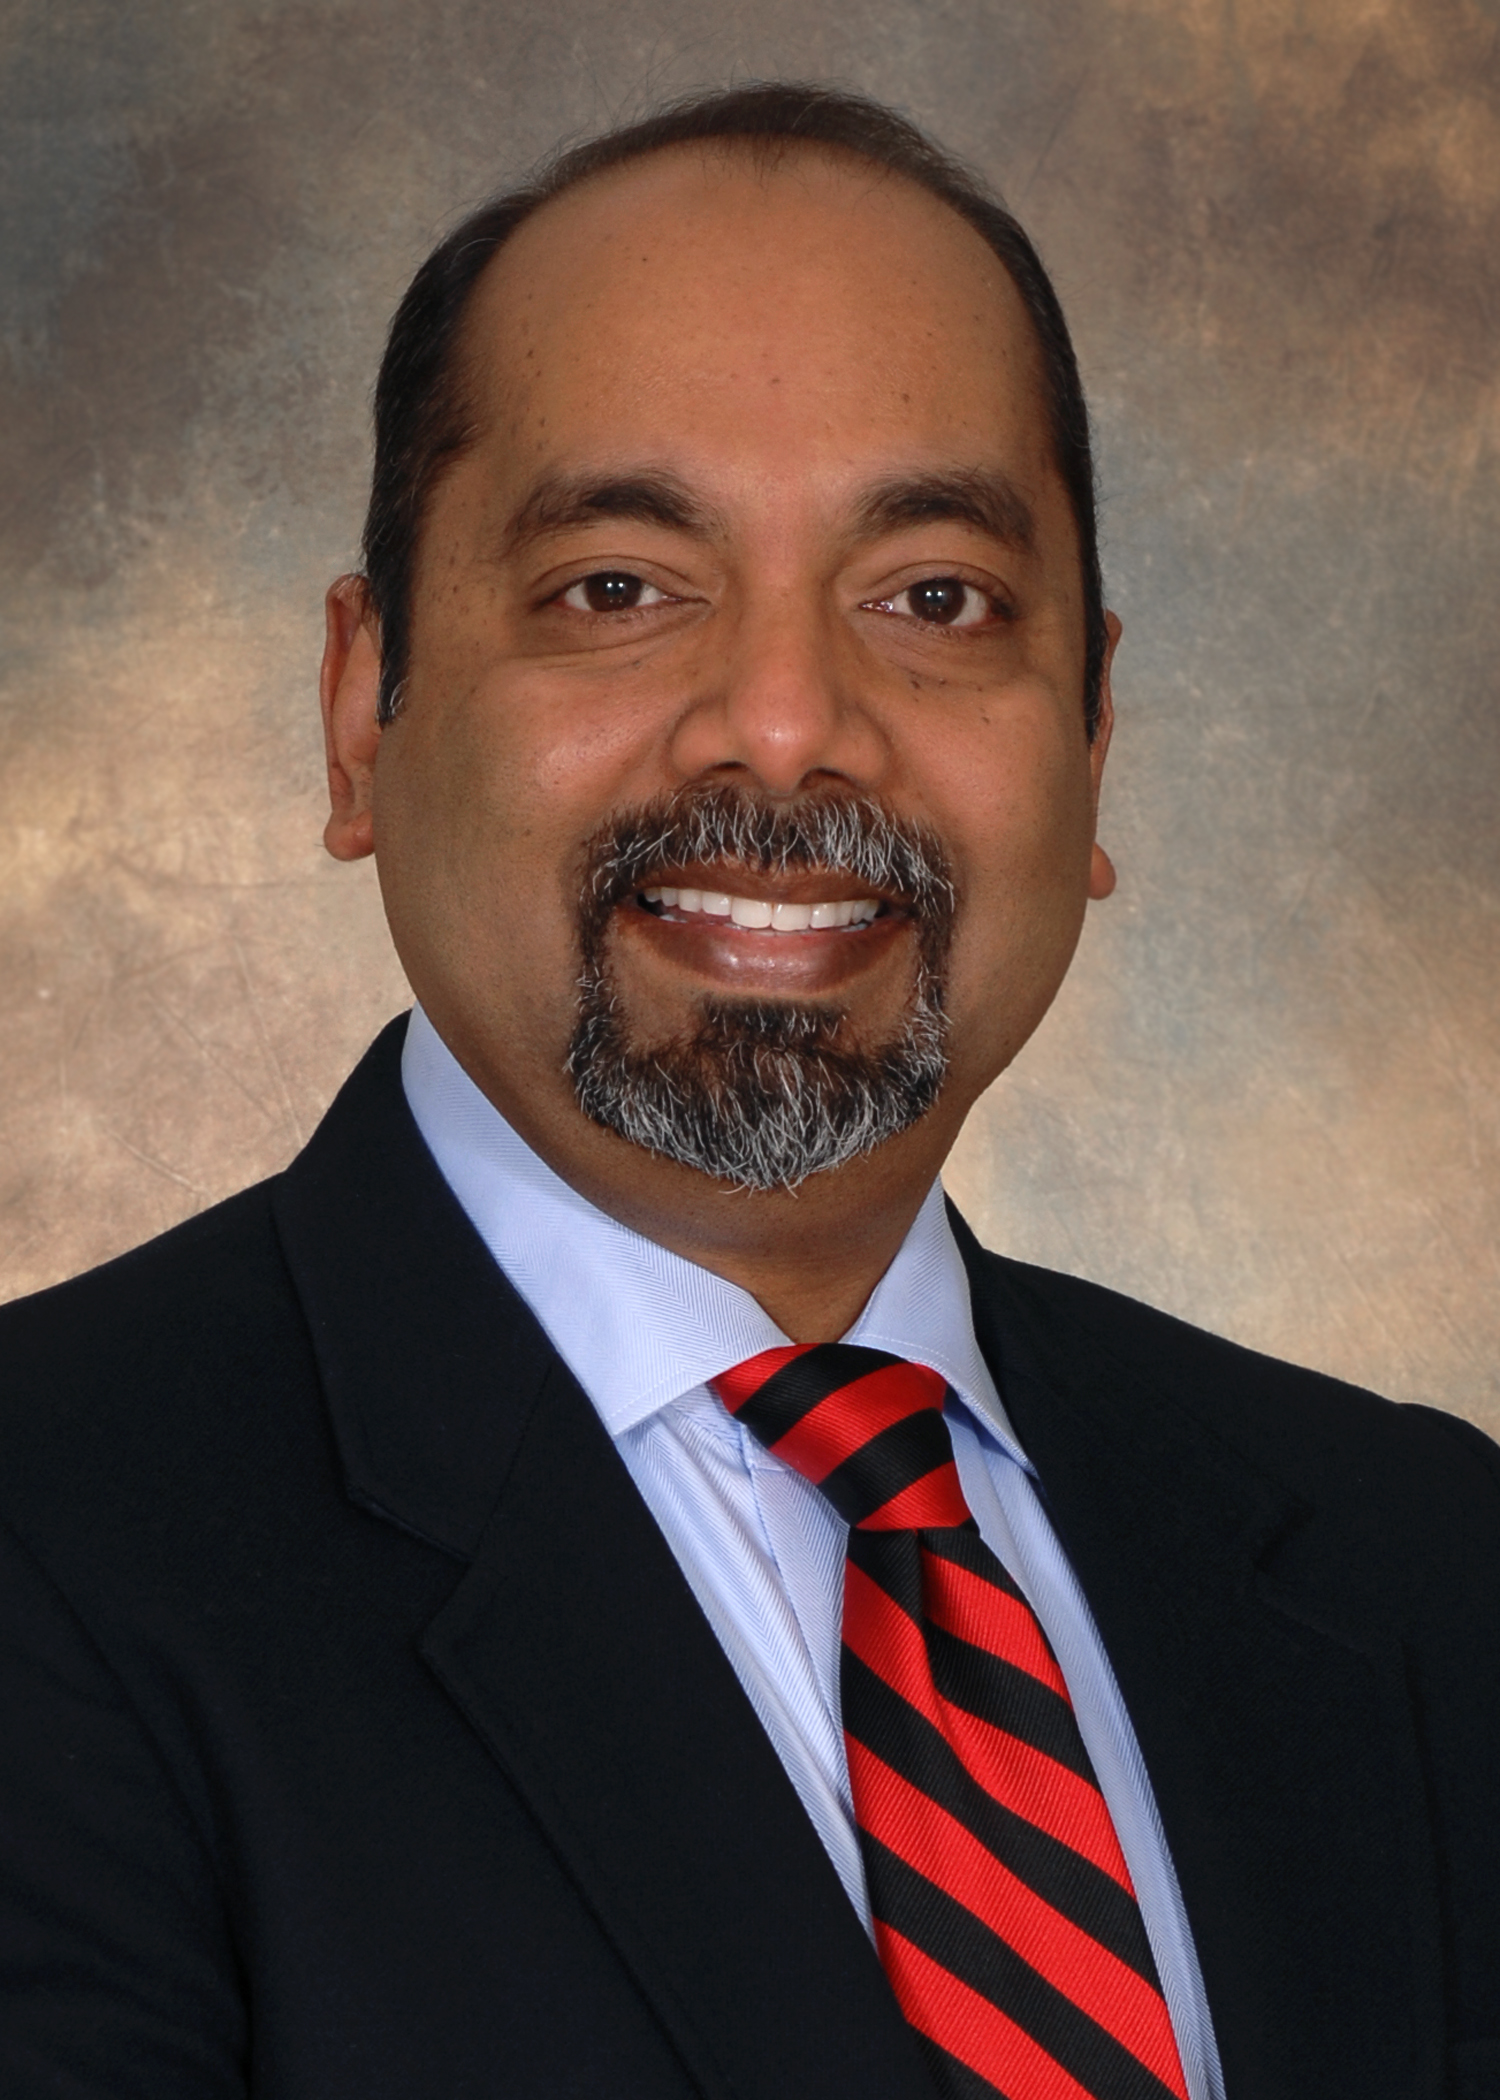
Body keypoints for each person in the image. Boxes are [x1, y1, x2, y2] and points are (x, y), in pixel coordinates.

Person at [1, 81, 1496, 2100]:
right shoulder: (52, 1546)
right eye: (618, 587)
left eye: (935, 598)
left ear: (1095, 733)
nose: (788, 727)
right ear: (363, 714)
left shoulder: (1424, 1565)